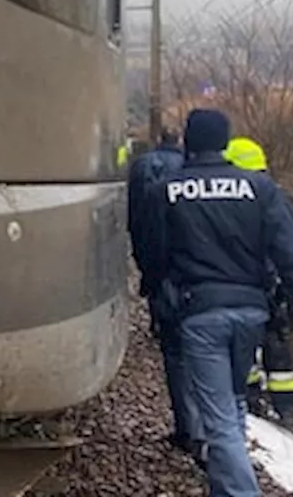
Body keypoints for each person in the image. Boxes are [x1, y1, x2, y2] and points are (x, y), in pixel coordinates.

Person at [145, 109, 293, 497]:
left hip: (201, 313)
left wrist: (164, 304)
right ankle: (224, 487)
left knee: (219, 420)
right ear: (225, 142)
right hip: (252, 313)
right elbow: (292, 255)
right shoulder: (259, 190)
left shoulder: (167, 190)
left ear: (188, 143)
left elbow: (154, 256)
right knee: (232, 402)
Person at [225, 136, 293, 429]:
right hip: (278, 286)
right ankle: (287, 413)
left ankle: (253, 399)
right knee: (279, 349)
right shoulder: (281, 196)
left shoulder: (239, 200)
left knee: (249, 345)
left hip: (253, 285)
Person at [127, 129, 198, 457]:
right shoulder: (185, 167)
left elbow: (133, 205)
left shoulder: (142, 164)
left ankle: (190, 430)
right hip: (182, 249)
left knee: (160, 283)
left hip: (148, 227)